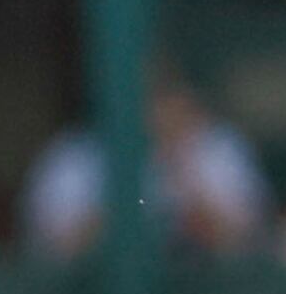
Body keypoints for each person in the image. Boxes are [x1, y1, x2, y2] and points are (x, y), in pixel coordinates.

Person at [20, 73, 272, 267]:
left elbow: (241, 240)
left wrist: (179, 165)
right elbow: (62, 250)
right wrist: (129, 178)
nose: (155, 112)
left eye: (165, 96)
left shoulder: (217, 147)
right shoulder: (75, 156)